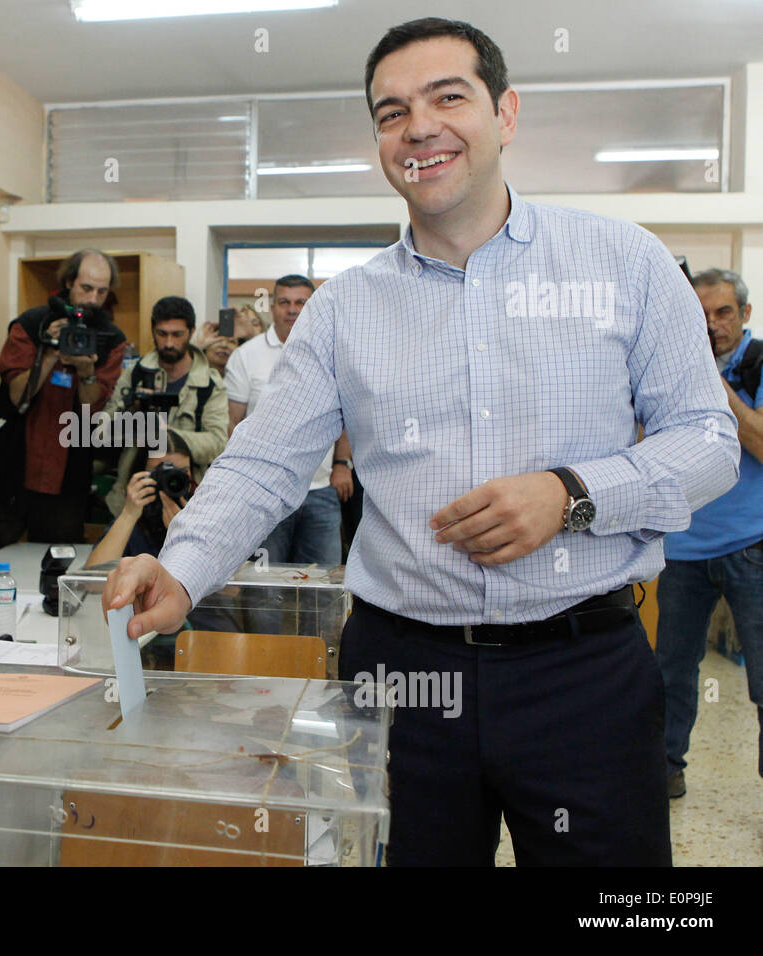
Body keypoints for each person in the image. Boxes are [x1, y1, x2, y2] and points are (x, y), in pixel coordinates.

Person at [103, 17, 739, 867]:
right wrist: (181, 569)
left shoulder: (625, 264)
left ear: (505, 113)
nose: (419, 127)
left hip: (583, 674)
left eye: (449, 97)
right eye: (391, 111)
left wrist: (572, 494)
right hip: (401, 676)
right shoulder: (343, 308)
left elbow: (707, 440)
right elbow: (265, 462)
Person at [656, 267, 763, 799]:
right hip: (682, 549)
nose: (712, 325)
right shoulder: (672, 368)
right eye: (700, 315)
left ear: (744, 315)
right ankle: (665, 770)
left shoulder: (760, 364)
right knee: (671, 671)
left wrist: (718, 391)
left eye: (723, 313)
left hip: (752, 547)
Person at [0, 249, 127, 544]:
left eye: (102, 291)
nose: (93, 299)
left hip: (68, 480)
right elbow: (18, 395)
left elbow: (91, 408)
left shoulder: (111, 338)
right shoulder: (32, 324)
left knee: (57, 567)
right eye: (86, 288)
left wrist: (86, 371)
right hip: (11, 470)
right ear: (69, 282)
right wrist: (47, 353)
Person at [226, 274, 351, 567]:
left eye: (301, 302)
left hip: (320, 489)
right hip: (265, 491)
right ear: (272, 306)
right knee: (265, 588)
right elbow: (233, 424)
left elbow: (348, 413)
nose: (292, 309)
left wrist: (342, 464)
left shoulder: (335, 351)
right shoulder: (246, 356)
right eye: (284, 302)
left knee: (323, 587)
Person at [102, 296, 227, 517]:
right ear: (153, 331)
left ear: (191, 332)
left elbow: (217, 443)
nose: (169, 343)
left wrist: (164, 436)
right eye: (162, 334)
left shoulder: (209, 383)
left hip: (188, 499)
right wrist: (133, 414)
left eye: (177, 334)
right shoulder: (136, 374)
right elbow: (102, 432)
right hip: (131, 498)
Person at [87, 431, 194, 567]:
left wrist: (185, 535)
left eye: (181, 473)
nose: (171, 480)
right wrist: (129, 515)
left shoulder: (204, 520)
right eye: (161, 472)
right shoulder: (132, 523)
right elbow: (93, 577)